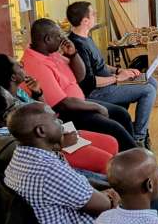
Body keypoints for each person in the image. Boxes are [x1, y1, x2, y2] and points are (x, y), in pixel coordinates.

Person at [3, 104, 158, 224]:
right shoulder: (48, 170)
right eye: (55, 119)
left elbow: (77, 185)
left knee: (157, 210)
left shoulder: (21, 157)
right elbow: (105, 206)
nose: (61, 122)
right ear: (41, 131)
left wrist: (108, 191)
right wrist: (113, 194)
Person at [0, 53, 119, 174]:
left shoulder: (19, 92)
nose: (22, 65)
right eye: (18, 65)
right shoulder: (6, 110)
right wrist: (61, 143)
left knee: (111, 142)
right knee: (106, 161)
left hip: (57, 131)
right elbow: (24, 147)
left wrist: (37, 93)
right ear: (13, 77)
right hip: (50, 147)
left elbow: (46, 112)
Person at [21, 18, 138, 152]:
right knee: (114, 128)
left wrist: (73, 54)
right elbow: (62, 104)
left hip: (78, 103)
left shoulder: (50, 53)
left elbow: (80, 76)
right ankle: (135, 158)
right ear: (48, 39)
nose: (62, 39)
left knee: (121, 114)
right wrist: (97, 107)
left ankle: (135, 153)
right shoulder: (36, 64)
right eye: (58, 36)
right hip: (65, 115)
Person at [67, 1, 158, 148]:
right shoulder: (77, 45)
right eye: (93, 14)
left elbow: (101, 65)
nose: (96, 15)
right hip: (97, 91)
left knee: (152, 81)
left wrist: (119, 70)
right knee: (148, 90)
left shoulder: (87, 37)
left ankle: (140, 130)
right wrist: (117, 78)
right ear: (85, 21)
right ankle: (139, 138)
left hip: (110, 82)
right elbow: (89, 82)